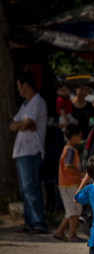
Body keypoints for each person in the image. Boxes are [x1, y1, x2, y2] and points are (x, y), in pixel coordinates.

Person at [9, 71, 48, 234]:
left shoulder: (37, 102)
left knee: (31, 188)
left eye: (19, 86)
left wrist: (23, 124)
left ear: (25, 85)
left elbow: (24, 125)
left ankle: (38, 223)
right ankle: (29, 222)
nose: (18, 90)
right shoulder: (26, 105)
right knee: (25, 190)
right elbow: (13, 125)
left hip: (31, 151)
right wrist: (23, 124)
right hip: (21, 152)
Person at [52, 124, 84, 242]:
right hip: (69, 184)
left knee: (71, 210)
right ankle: (72, 236)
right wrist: (80, 174)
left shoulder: (69, 149)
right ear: (74, 136)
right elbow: (68, 166)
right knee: (75, 210)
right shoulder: (69, 150)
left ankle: (59, 232)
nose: (80, 138)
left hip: (68, 184)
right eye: (79, 136)